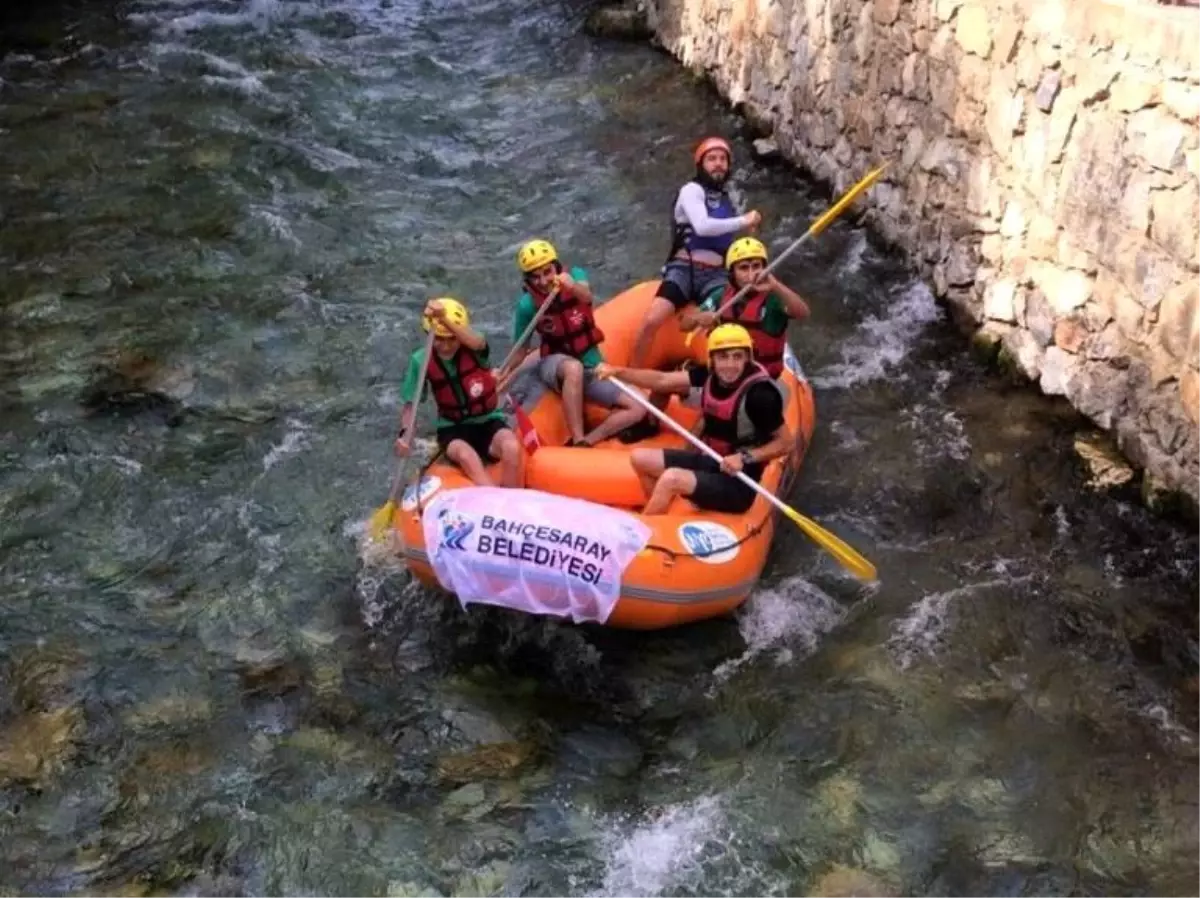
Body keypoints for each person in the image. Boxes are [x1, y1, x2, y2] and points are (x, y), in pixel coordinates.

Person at [621, 135, 762, 443]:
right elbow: (702, 226)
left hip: (716, 276)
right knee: (652, 319)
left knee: (720, 332)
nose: (718, 164)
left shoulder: (729, 199)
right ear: (700, 164)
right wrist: (744, 220)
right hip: (684, 269)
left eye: (723, 159)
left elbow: (735, 246)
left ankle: (722, 403)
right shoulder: (691, 191)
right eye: (712, 159)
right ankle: (632, 385)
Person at [594, 324, 792, 516]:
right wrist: (619, 372)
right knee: (640, 458)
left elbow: (786, 443)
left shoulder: (760, 396)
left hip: (739, 481)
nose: (730, 365)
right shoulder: (709, 374)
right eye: (723, 357)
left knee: (670, 478)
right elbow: (662, 381)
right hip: (712, 461)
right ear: (712, 359)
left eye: (737, 357)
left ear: (747, 358)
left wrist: (744, 458)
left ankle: (644, 531)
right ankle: (659, 514)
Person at [503, 238, 646, 447]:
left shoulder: (576, 276)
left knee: (638, 406)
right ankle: (577, 436)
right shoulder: (527, 306)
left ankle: (587, 441)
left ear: (556, 267)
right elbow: (520, 349)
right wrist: (502, 375)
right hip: (555, 364)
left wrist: (572, 286)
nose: (543, 281)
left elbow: (587, 296)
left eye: (547, 272)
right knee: (573, 368)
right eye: (535, 277)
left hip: (592, 365)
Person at [395, 297, 521, 487]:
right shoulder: (420, 360)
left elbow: (478, 342)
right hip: (452, 428)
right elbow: (410, 406)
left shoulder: (473, 348)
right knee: (466, 455)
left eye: (451, 339)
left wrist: (443, 319)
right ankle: (493, 497)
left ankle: (515, 499)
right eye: (439, 339)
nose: (445, 346)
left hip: (487, 420)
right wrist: (405, 435)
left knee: (511, 447)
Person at [680, 236, 810, 379]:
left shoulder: (773, 298)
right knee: (664, 384)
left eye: (756, 266)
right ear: (732, 273)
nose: (751, 274)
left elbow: (802, 313)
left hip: (762, 376)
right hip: (725, 373)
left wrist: (776, 286)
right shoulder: (721, 295)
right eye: (743, 268)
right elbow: (684, 326)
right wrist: (699, 318)